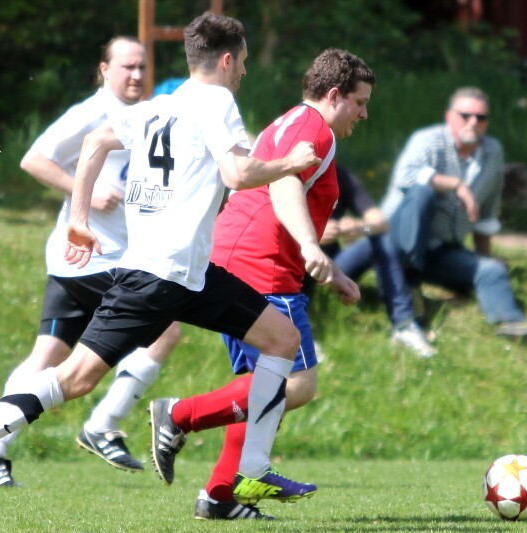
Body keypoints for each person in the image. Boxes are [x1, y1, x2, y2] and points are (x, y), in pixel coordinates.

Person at [0, 11, 322, 519]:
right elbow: (238, 173)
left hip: (189, 275)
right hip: (157, 278)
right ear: (226, 60)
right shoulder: (216, 100)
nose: (244, 71)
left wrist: (79, 218)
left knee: (282, 339)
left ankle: (253, 468)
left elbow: (94, 143)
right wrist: (291, 162)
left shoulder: (157, 107)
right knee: (75, 379)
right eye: (242, 62)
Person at [146, 48, 371, 520]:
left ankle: (219, 496)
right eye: (360, 102)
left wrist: (330, 270)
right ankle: (179, 415)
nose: (363, 114)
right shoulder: (315, 128)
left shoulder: (293, 122)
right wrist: (309, 247)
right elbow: (283, 184)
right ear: (334, 95)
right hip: (260, 266)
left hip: (235, 256)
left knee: (259, 385)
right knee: (296, 383)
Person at [0, 36, 183, 488]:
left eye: (142, 67)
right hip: (95, 257)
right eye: (127, 67)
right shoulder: (91, 113)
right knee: (165, 329)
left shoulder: (145, 114)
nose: (137, 75)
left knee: (48, 355)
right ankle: (103, 424)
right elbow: (34, 160)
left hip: (82, 259)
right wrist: (87, 192)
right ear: (103, 70)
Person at [379, 87, 527, 343]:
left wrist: (482, 258)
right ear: (449, 117)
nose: (474, 122)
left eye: (481, 117)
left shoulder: (492, 152)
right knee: (422, 193)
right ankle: (409, 301)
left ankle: (512, 325)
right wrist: (456, 185)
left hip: (441, 249)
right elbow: (405, 177)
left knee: (491, 270)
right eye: (465, 116)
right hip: (394, 243)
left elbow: (486, 212)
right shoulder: (428, 140)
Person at [323, 165, 436, 358]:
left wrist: (359, 228)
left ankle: (403, 324)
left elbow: (380, 224)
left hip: (335, 266)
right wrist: (311, 235)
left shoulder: (340, 177)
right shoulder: (289, 177)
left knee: (381, 238)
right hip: (298, 267)